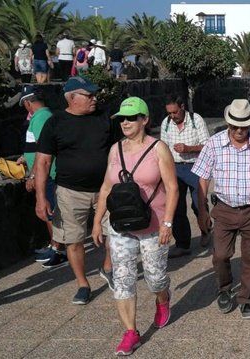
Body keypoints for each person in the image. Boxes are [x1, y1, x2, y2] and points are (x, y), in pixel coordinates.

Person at [92, 97, 178, 356]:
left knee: (155, 278)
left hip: (153, 224)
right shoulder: (115, 150)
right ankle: (131, 332)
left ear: (144, 120)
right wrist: (97, 221)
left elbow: (173, 188)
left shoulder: (158, 149)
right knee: (123, 279)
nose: (125, 123)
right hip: (121, 225)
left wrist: (168, 223)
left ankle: (162, 299)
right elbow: (107, 187)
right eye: (121, 119)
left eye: (131, 118)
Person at [192, 99, 250, 320]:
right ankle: (224, 288)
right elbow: (202, 178)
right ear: (228, 123)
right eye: (235, 126)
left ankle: (246, 299)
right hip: (224, 209)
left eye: (244, 126)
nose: (240, 130)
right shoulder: (213, 144)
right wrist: (202, 211)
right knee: (221, 255)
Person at [34, 77, 115, 305]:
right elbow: (43, 162)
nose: (94, 99)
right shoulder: (55, 123)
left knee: (114, 233)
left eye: (94, 95)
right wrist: (41, 198)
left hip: (105, 189)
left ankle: (107, 266)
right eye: (89, 95)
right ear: (72, 98)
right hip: (70, 192)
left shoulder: (104, 117)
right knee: (73, 240)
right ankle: (82, 283)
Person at [16, 86, 67, 268]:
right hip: (47, 173)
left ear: (28, 102)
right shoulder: (45, 116)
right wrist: (25, 157)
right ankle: (55, 246)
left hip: (47, 174)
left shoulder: (40, 118)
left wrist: (33, 174)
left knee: (49, 212)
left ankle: (57, 249)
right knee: (51, 211)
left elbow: (42, 149)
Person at [159, 96, 212, 258]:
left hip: (195, 167)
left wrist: (189, 148)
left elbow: (208, 146)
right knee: (176, 207)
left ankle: (205, 231)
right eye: (169, 113)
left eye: (175, 112)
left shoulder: (196, 120)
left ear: (183, 107)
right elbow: (162, 147)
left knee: (199, 203)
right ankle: (183, 244)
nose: (172, 116)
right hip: (174, 168)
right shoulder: (166, 123)